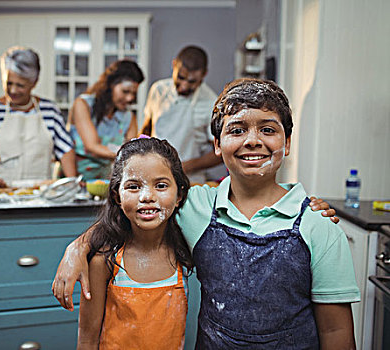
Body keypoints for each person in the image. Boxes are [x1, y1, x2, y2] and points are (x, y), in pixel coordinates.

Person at [52, 79, 357, 349]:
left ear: (287, 142)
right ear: (217, 144)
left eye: (267, 129)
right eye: (236, 130)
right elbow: (134, 210)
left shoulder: (318, 225)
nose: (252, 140)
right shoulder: (195, 205)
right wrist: (77, 247)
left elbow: (336, 329)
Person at [77, 137, 193, 349]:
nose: (147, 196)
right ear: (117, 197)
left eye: (160, 185)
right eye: (133, 186)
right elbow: (87, 339)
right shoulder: (104, 261)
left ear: (179, 195)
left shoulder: (186, 254)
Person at [0, 46, 76, 187]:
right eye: (8, 83)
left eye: (20, 85)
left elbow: (65, 150)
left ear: (34, 82)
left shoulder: (50, 111)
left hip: (40, 193)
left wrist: (72, 184)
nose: (13, 90)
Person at [140, 45, 223, 183]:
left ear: (204, 74)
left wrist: (182, 167)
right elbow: (146, 128)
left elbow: (220, 153)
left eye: (192, 82)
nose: (184, 85)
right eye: (181, 77)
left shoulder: (211, 103)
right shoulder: (158, 90)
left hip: (190, 180)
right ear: (174, 65)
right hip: (153, 175)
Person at [68, 59, 144, 181]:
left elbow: (132, 148)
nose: (130, 98)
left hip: (104, 181)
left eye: (133, 94)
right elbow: (92, 146)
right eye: (125, 91)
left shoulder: (128, 118)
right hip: (74, 178)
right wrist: (128, 154)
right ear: (110, 85)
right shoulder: (83, 105)